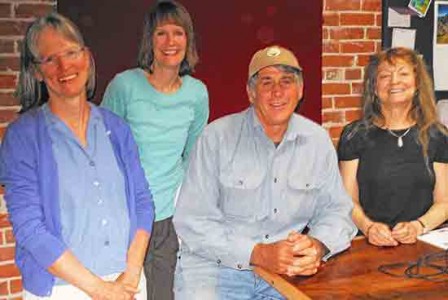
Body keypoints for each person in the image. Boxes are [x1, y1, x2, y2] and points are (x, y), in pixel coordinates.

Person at [173, 45, 356, 299]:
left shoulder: (317, 140)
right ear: (251, 93)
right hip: (216, 269)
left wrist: (316, 245)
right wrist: (258, 253)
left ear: (300, 90)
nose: (277, 91)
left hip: (286, 272)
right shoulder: (216, 138)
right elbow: (192, 221)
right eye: (266, 82)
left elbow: (337, 211)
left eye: (287, 81)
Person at [0, 13, 154, 299]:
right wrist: (102, 291)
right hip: (62, 290)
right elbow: (31, 230)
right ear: (36, 71)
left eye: (71, 52)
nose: (64, 66)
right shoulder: (22, 138)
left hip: (127, 281)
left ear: (87, 57)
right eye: (50, 59)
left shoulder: (116, 128)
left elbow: (143, 202)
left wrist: (131, 276)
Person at [101, 1, 209, 299]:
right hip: (124, 217)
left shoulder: (196, 93)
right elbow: (100, 151)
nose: (170, 42)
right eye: (161, 33)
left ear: (189, 40)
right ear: (150, 40)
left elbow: (193, 155)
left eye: (178, 33)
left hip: (168, 222)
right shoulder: (124, 86)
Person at [338, 47, 448, 247]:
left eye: (403, 73)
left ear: (417, 84)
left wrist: (418, 226)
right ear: (374, 87)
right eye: (385, 75)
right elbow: (346, 200)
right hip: (367, 243)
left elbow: (444, 202)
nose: (394, 81)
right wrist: (369, 227)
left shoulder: (437, 136)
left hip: (423, 245)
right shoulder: (354, 135)